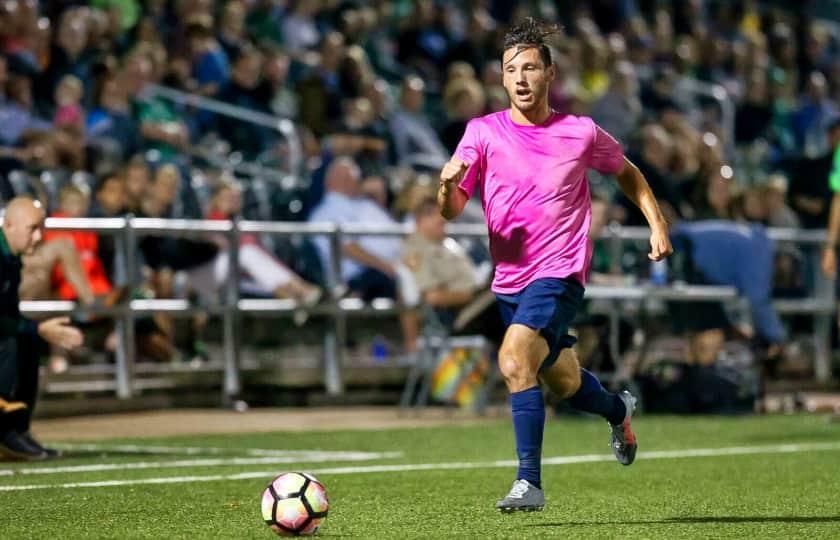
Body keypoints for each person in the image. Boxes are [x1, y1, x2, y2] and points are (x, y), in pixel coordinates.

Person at [437, 19, 672, 512]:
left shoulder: (579, 132)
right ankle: (617, 408)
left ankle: (530, 483)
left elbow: (628, 175)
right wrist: (445, 186)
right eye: (510, 70)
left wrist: (656, 224)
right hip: (509, 281)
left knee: (513, 359)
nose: (520, 78)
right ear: (501, 80)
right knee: (563, 382)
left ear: (549, 73)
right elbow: (452, 208)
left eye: (529, 68)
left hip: (560, 271)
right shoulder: (480, 133)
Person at [0, 197, 83, 460]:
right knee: (14, 341)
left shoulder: (11, 260)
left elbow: (9, 314)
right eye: (32, 228)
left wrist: (33, 331)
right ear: (9, 224)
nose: (38, 237)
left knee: (25, 340)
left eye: (41, 229)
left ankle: (15, 429)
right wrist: (37, 329)